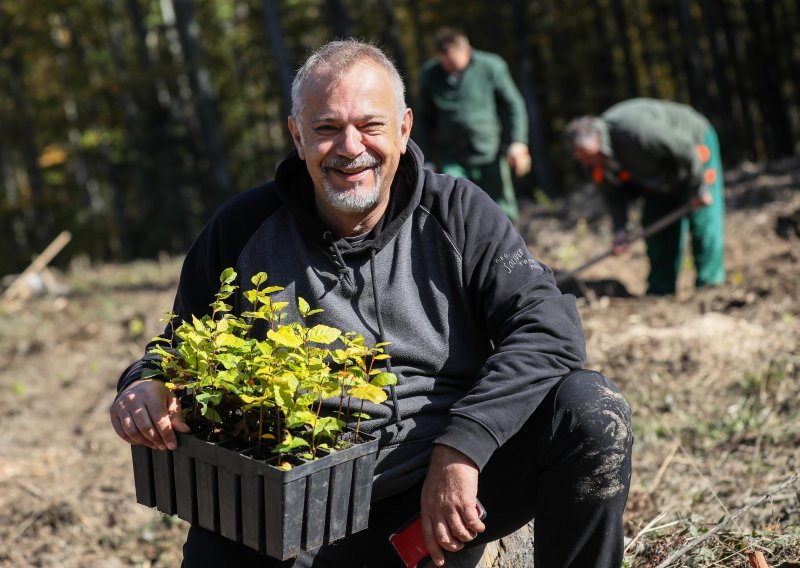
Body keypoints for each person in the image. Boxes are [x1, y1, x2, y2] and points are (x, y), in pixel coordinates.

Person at [110, 39, 632, 568]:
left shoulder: (458, 213)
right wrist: (144, 383)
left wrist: (463, 447)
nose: (350, 147)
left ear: (404, 129)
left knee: (587, 411)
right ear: (297, 136)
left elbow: (549, 328)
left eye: (371, 125)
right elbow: (179, 347)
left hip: (444, 500)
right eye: (327, 128)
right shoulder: (242, 230)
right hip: (297, 515)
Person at [565, 98, 726, 296]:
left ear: (596, 139)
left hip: (694, 146)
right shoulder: (594, 164)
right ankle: (661, 290)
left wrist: (699, 190)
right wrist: (620, 228)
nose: (589, 163)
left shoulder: (635, 131)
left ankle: (710, 285)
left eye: (589, 155)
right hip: (657, 177)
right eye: (583, 159)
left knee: (703, 221)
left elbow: (686, 149)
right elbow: (613, 196)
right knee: (656, 226)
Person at [414, 27, 531, 224]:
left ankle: (509, 254)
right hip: (452, 156)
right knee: (454, 206)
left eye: (453, 61)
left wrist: (518, 142)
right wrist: (426, 159)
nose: (449, 66)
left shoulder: (491, 66)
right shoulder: (430, 75)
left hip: (490, 151)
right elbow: (423, 119)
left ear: (466, 50)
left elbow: (514, 104)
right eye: (445, 62)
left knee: (502, 210)